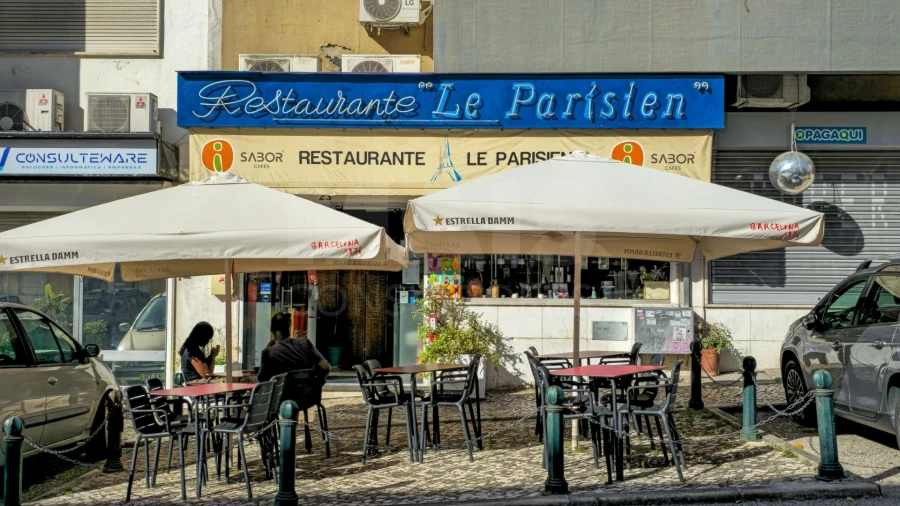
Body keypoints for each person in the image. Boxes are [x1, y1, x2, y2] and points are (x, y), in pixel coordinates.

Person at [257, 314, 330, 382]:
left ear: (272, 330)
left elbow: (262, 379)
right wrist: (318, 383)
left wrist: (268, 349)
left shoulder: (268, 352)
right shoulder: (306, 343)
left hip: (284, 395)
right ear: (289, 329)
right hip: (307, 394)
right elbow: (326, 367)